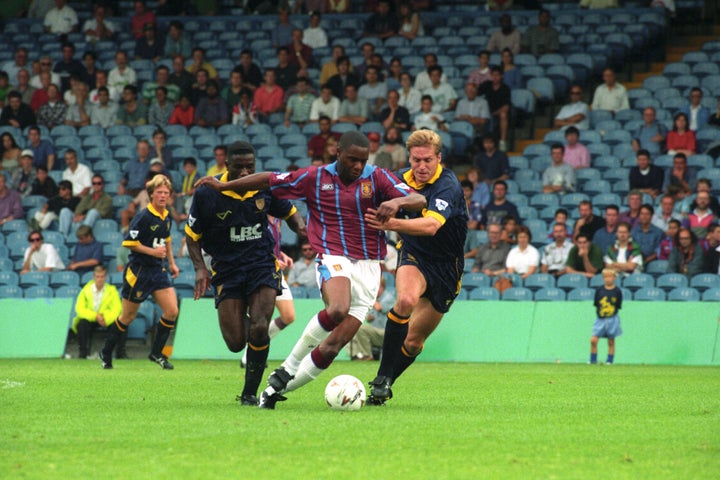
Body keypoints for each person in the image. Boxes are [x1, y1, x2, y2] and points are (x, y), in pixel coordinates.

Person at [194, 131, 426, 409]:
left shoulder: (376, 177)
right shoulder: (315, 178)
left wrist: (396, 202)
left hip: (369, 267)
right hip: (333, 256)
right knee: (338, 309)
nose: (357, 165)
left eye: (362, 160)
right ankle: (289, 364)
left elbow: (418, 200)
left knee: (331, 348)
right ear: (337, 153)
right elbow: (268, 179)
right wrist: (221, 188)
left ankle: (273, 389)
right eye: (352, 159)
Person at [185, 141, 306, 405]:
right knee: (236, 342)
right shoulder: (208, 193)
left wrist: (307, 234)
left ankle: (250, 394)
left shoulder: (265, 187)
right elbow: (192, 236)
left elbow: (292, 214)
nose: (244, 172)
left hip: (261, 264)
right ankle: (251, 338)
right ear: (226, 165)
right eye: (238, 167)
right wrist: (199, 268)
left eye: (249, 167)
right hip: (227, 270)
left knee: (261, 326)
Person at [357, 129, 467, 404]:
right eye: (416, 160)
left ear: (438, 158)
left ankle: (386, 385)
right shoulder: (398, 181)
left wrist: (391, 224)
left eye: (427, 160)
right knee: (405, 299)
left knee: (415, 341)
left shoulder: (448, 185)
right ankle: (381, 378)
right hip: (414, 255)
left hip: (447, 268)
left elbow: (431, 226)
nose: (421, 166)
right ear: (410, 157)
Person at [99, 174, 179, 370]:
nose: (162, 196)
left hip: (158, 271)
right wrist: (152, 251)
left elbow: (167, 240)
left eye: (166, 193)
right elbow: (128, 243)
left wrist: (172, 262)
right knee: (127, 317)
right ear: (151, 194)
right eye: (159, 192)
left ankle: (156, 353)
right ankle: (106, 351)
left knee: (172, 311)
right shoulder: (143, 216)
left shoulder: (166, 215)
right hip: (139, 272)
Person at [71, 265, 123, 359]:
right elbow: (80, 309)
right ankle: (83, 354)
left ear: (105, 277)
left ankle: (120, 354)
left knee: (121, 324)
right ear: (94, 277)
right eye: (98, 277)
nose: (100, 279)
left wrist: (104, 318)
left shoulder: (112, 291)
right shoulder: (85, 291)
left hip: (106, 319)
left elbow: (116, 309)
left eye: (102, 276)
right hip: (91, 319)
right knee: (81, 324)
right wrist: (95, 316)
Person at [346, 276, 394, 360]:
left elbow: (379, 307)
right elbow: (369, 318)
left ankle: (367, 355)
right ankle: (355, 356)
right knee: (350, 331)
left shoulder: (388, 297)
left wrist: (369, 297)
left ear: (381, 287)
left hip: (386, 332)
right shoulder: (376, 299)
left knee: (361, 328)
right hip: (375, 332)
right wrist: (369, 317)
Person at [590, 269, 622, 365]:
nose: (608, 279)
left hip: (612, 318)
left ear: (614, 278)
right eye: (605, 277)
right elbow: (596, 303)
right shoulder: (599, 290)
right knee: (593, 340)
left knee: (611, 341)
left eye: (610, 276)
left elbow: (618, 304)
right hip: (600, 318)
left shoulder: (617, 291)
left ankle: (609, 360)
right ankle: (593, 359)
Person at [478, 66, 511, 151]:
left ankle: (502, 142)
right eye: (493, 75)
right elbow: (476, 95)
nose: (495, 77)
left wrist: (493, 113)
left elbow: (506, 107)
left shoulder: (505, 88)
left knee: (503, 115)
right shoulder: (486, 85)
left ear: (501, 76)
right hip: (485, 112)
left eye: (497, 75)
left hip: (498, 113)